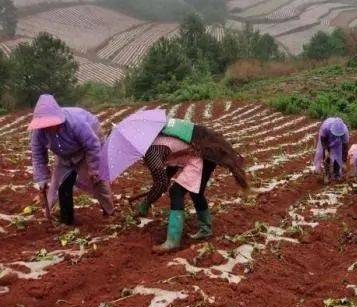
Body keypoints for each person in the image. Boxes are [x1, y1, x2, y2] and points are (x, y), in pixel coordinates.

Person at [136, 122, 247, 253]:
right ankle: (206, 229)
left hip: (201, 155)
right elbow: (171, 168)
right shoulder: (157, 141)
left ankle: (173, 241)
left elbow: (160, 183)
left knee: (176, 192)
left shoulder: (152, 152)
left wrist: (146, 204)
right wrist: (160, 185)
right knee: (196, 192)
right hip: (202, 154)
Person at [29, 94, 113, 225]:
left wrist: (93, 168)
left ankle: (109, 211)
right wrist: (42, 178)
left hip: (86, 149)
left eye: (51, 124)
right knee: (59, 185)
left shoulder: (76, 122)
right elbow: (38, 155)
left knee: (97, 180)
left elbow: (92, 145)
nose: (48, 128)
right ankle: (66, 220)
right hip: (63, 155)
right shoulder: (39, 132)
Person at [313, 117, 349, 183]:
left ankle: (336, 174)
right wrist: (326, 149)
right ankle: (326, 173)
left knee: (338, 156)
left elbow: (345, 147)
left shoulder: (345, 132)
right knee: (326, 156)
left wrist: (343, 161)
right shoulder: (326, 127)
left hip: (338, 142)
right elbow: (323, 139)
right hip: (327, 139)